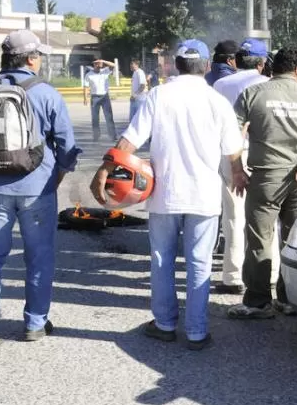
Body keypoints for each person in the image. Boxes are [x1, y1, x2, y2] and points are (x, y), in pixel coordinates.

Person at [90, 39, 244, 350]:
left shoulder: (158, 96)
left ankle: (164, 324)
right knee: (199, 263)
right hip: (204, 197)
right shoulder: (217, 102)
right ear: (206, 67)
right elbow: (232, 153)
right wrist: (239, 174)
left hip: (165, 195)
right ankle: (198, 332)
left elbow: (129, 143)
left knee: (162, 260)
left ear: (175, 64)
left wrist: (103, 170)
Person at [0, 30, 81, 351]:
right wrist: (54, 179)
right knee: (39, 256)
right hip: (39, 190)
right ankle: (35, 322)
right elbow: (68, 148)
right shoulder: (47, 93)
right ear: (32, 59)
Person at [229, 47, 297, 319]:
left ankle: (258, 302)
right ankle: (290, 298)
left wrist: (236, 169)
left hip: (266, 177)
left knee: (259, 239)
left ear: (273, 67)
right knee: (294, 240)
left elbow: (231, 134)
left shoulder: (253, 94)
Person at [211, 38, 270, 295]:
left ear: (237, 59)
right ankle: (269, 275)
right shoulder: (268, 84)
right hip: (262, 155)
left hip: (229, 155)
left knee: (233, 216)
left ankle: (233, 277)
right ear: (262, 62)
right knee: (265, 217)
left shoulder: (221, 83)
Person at [83, 58, 118, 143]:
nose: (98, 65)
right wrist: (85, 98)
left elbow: (113, 65)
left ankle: (113, 136)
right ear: (93, 64)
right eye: (96, 64)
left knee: (109, 117)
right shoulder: (89, 75)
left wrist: (103, 61)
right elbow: (86, 87)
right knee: (95, 118)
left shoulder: (105, 71)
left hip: (105, 97)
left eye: (99, 64)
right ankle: (96, 136)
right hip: (95, 97)